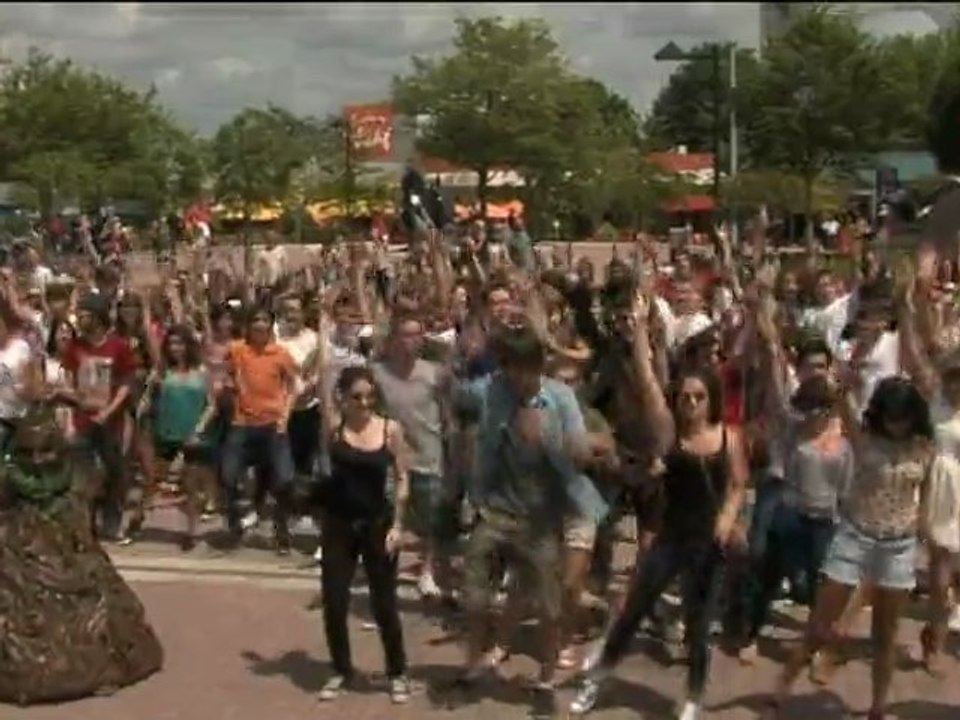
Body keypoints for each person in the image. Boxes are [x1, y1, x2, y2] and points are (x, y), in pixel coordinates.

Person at [572, 298, 748, 720]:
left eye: (698, 397)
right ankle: (599, 677)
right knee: (634, 609)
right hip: (670, 536)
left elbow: (739, 483)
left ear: (712, 399)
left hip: (708, 541)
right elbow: (650, 384)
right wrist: (638, 339)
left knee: (699, 625)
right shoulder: (670, 433)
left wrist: (727, 516)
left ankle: (692, 695)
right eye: (684, 397)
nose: (689, 404)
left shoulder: (729, 437)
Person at [767, 377, 936, 720]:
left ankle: (878, 706)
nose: (896, 424)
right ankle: (782, 685)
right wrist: (844, 374)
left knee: (884, 637)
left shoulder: (924, 447)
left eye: (902, 416)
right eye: (890, 415)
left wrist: (926, 538)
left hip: (899, 547)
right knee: (819, 625)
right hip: (855, 538)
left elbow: (927, 498)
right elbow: (841, 393)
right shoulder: (862, 438)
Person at [0, 402, 163, 704]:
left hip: (71, 571)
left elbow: (83, 538)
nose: (36, 461)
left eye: (45, 451)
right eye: (27, 453)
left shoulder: (77, 484)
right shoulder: (7, 484)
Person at [314, 363, 412, 705]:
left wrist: (398, 526)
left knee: (384, 604)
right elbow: (322, 380)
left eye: (370, 396)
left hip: (377, 524)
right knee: (335, 601)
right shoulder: (334, 427)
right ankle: (341, 668)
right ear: (344, 399)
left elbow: (402, 479)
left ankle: (397, 672)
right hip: (339, 524)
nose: (365, 403)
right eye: (357, 397)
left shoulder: (389, 429)